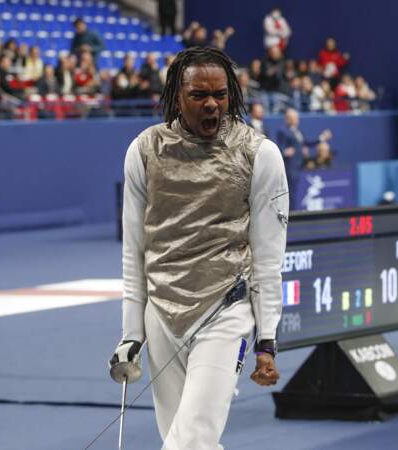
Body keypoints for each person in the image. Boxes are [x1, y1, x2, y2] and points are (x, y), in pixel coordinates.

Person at [109, 47, 288, 450]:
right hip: (163, 315)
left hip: (225, 311)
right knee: (187, 440)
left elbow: (268, 255)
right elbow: (134, 252)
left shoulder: (259, 154)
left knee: (189, 442)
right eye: (199, 96)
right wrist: (130, 333)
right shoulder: (144, 151)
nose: (212, 105)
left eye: (221, 95)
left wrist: (267, 339)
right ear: (177, 96)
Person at [276, 107, 332, 207]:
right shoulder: (283, 131)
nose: (298, 119)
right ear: (289, 119)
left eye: (297, 117)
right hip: (290, 167)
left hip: (298, 165)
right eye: (295, 118)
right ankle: (290, 215)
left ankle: (294, 212)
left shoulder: (297, 131)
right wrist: (285, 152)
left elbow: (306, 143)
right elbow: (279, 148)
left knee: (295, 191)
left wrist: (322, 138)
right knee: (289, 192)